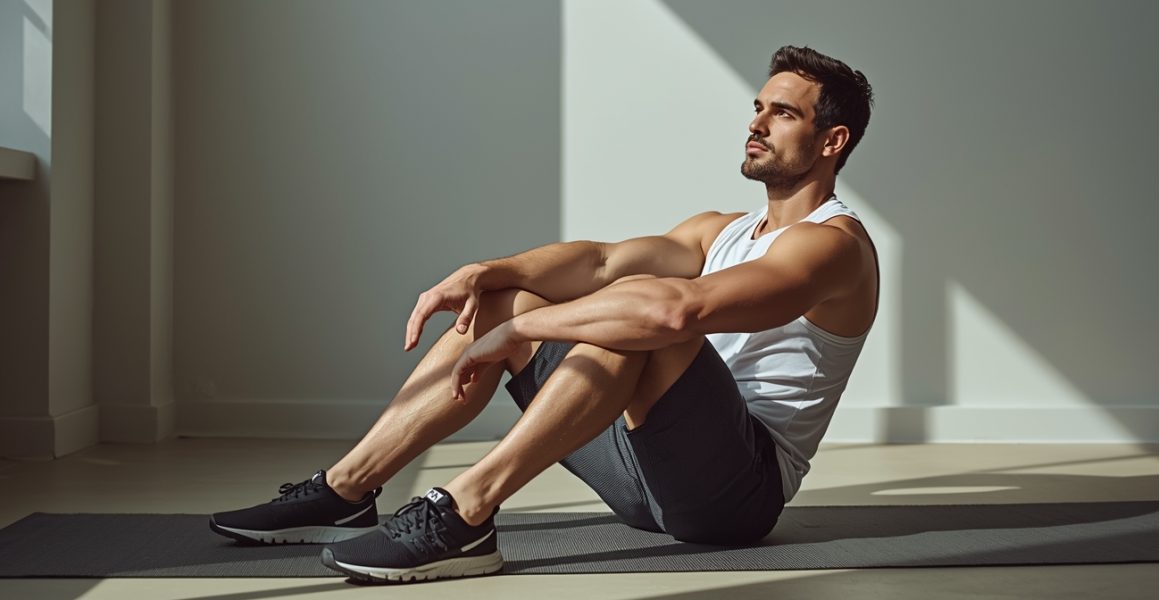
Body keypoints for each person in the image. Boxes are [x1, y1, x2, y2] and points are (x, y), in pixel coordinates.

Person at [209, 45, 878, 584]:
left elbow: (679, 313)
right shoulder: (721, 230)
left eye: (782, 113)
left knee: (631, 327)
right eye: (756, 108)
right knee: (510, 296)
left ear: (831, 140)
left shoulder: (833, 246)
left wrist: (524, 331)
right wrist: (492, 278)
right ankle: (347, 488)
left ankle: (466, 513)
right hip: (644, 471)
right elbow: (600, 261)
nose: (755, 123)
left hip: (735, 496)